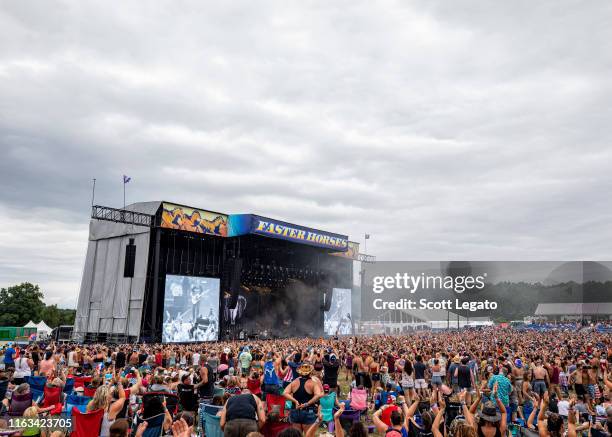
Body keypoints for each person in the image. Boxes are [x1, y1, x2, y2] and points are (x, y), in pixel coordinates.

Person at [283, 363, 323, 431]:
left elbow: (285, 393)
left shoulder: (294, 382)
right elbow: (318, 395)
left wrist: (295, 401)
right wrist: (307, 403)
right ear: (310, 373)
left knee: (297, 435)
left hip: (295, 411)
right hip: (308, 411)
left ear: (300, 373)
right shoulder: (313, 383)